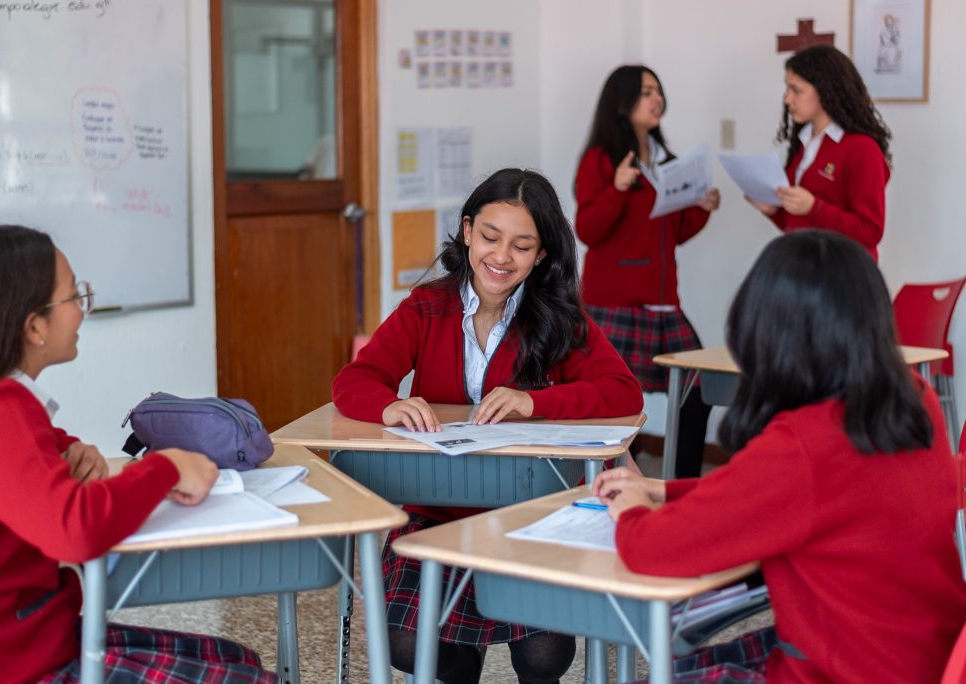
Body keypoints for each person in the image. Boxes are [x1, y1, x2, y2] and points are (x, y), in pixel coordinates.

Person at [593, 230, 966, 682]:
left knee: (664, 671)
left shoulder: (803, 446)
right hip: (924, 659)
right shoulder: (913, 398)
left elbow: (652, 549)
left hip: (841, 670)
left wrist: (632, 511)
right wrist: (662, 489)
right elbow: (776, 494)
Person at [333, 168, 644, 684]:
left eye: (522, 246)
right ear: (468, 230)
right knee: (411, 644)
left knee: (545, 656)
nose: (501, 257)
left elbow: (622, 390)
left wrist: (534, 401)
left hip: (529, 513)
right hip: (435, 511)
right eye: (491, 237)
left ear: (541, 254)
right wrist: (387, 404)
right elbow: (355, 380)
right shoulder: (428, 306)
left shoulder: (558, 318)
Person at [0, 225, 275, 683]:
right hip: (12, 666)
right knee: (248, 675)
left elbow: (18, 456)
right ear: (34, 326)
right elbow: (75, 529)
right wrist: (168, 465)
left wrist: (67, 446)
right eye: (74, 296)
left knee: (240, 660)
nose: (82, 310)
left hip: (32, 641)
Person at [574, 65, 721, 478]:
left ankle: (684, 485)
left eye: (659, 91)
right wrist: (617, 188)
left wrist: (701, 209)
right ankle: (609, 479)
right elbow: (588, 229)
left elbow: (674, 231)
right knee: (612, 399)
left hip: (663, 302)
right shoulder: (600, 159)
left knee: (696, 390)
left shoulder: (665, 161)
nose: (657, 100)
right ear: (621, 102)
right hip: (614, 304)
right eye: (646, 92)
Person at [748, 44, 892, 261]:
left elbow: (870, 232)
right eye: (787, 89)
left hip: (844, 277)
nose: (788, 100)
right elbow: (799, 225)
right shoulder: (804, 143)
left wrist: (814, 207)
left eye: (796, 90)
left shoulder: (862, 149)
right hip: (805, 270)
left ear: (826, 91)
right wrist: (773, 211)